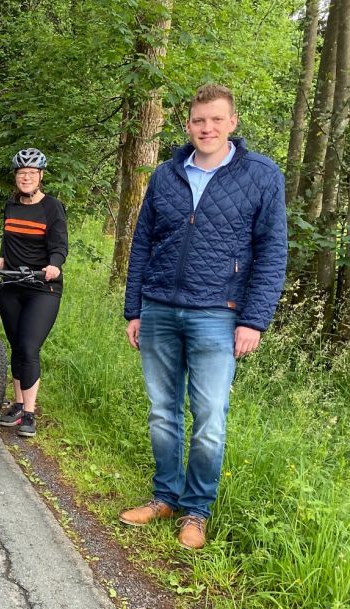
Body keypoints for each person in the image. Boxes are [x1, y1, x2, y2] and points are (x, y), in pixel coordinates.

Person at [120, 83, 287, 550]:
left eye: (215, 119)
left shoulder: (261, 175)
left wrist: (254, 320)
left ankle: (196, 511)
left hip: (219, 314)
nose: (206, 128)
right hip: (159, 308)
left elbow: (273, 252)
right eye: (198, 120)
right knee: (162, 411)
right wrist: (134, 309)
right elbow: (142, 244)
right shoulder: (165, 175)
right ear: (188, 125)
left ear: (232, 122)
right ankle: (164, 497)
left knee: (210, 415)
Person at [0, 148, 68, 438]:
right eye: (22, 173)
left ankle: (30, 413)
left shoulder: (52, 207)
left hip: (42, 287)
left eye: (31, 173)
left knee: (29, 346)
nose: (26, 177)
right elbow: (8, 239)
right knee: (16, 345)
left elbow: (59, 244)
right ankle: (18, 404)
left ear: (40, 176)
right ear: (16, 177)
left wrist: (54, 265)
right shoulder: (11, 205)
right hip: (11, 284)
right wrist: (1, 260)